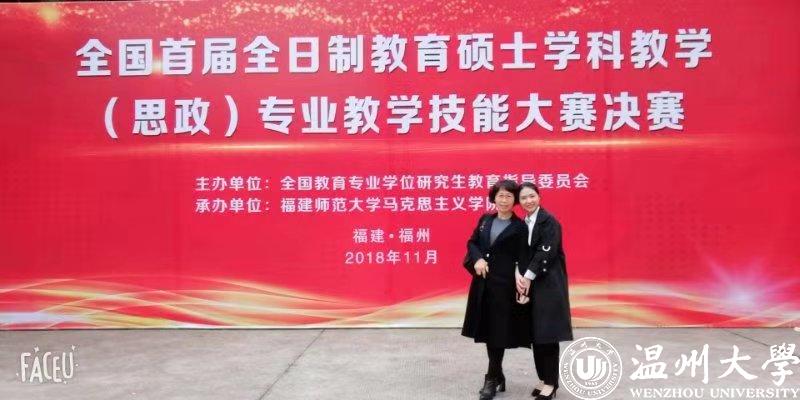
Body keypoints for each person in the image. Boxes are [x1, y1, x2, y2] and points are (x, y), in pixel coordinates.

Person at [462, 179, 530, 400]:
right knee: (488, 331)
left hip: (504, 287)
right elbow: (472, 243)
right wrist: (478, 258)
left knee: (497, 333)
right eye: (500, 195)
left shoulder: (520, 227)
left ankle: (491, 378)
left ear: (515, 200)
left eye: (509, 196)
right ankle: (498, 374)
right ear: (494, 198)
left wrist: (522, 284)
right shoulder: (485, 220)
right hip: (483, 284)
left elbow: (523, 257)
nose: (504, 200)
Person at [515, 182, 574, 400]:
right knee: (536, 333)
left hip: (548, 284)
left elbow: (545, 252)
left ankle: (551, 383)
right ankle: (542, 378)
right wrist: (519, 274)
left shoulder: (549, 221)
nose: (528, 201)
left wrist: (527, 276)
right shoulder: (524, 223)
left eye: (532, 196)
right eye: (523, 198)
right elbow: (521, 254)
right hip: (531, 283)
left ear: (539, 197)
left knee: (548, 334)